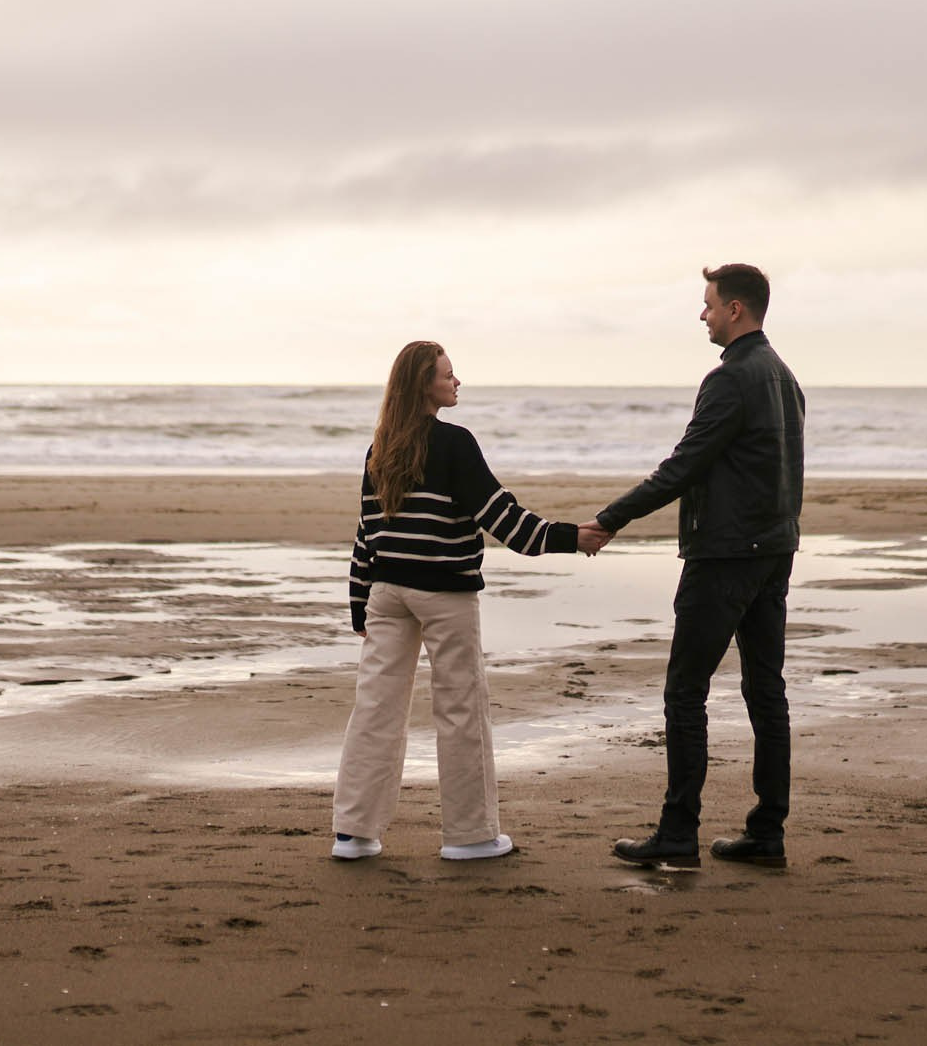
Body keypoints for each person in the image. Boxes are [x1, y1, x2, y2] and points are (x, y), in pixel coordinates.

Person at [579, 263, 803, 870]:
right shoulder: (783, 375)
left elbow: (684, 466)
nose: (701, 314)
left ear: (736, 309)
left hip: (725, 556)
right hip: (774, 550)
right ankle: (767, 833)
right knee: (766, 692)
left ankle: (678, 834)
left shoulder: (730, 379)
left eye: (708, 305)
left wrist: (610, 518)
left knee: (685, 693)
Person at [331, 340, 588, 863]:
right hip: (444, 592)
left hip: (387, 594)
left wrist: (360, 603)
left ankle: (354, 834)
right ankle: (469, 837)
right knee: (461, 709)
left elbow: (366, 534)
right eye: (448, 375)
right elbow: (502, 517)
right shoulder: (453, 443)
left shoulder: (381, 445)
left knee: (375, 710)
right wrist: (570, 537)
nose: (456, 382)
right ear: (425, 384)